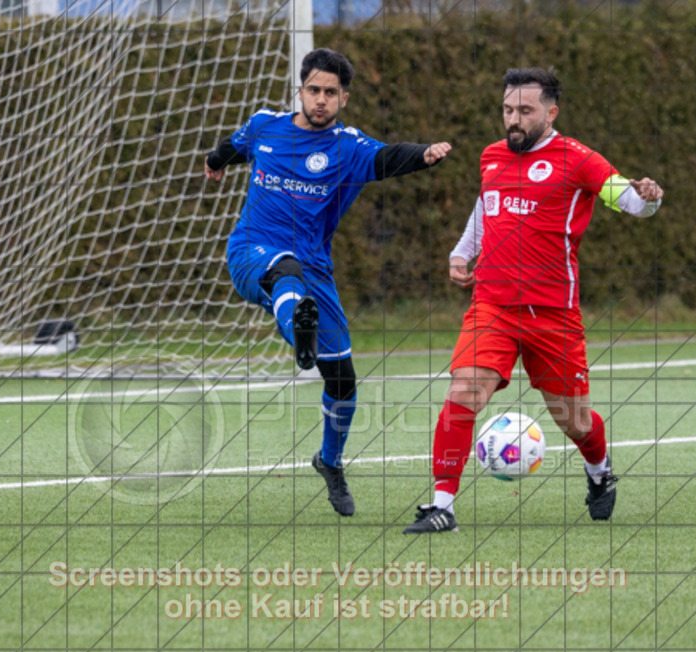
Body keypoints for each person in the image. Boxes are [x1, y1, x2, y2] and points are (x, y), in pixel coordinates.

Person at [403, 67, 663, 533]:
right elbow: (487, 206)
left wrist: (649, 197)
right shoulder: (491, 156)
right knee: (463, 393)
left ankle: (599, 472)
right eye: (507, 110)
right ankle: (442, 504)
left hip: (553, 315)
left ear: (551, 111)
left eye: (524, 110)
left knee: (575, 421)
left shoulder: (579, 160)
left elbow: (632, 204)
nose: (514, 120)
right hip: (493, 306)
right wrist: (463, 252)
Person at [205, 48, 452, 517]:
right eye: (314, 90)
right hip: (251, 250)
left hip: (315, 267)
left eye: (331, 93)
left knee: (342, 379)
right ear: (300, 91)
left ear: (344, 98)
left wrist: (423, 154)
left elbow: (387, 158)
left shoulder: (348, 147)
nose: (321, 100)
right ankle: (299, 333)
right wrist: (215, 160)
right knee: (286, 275)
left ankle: (330, 461)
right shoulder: (265, 126)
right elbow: (233, 146)